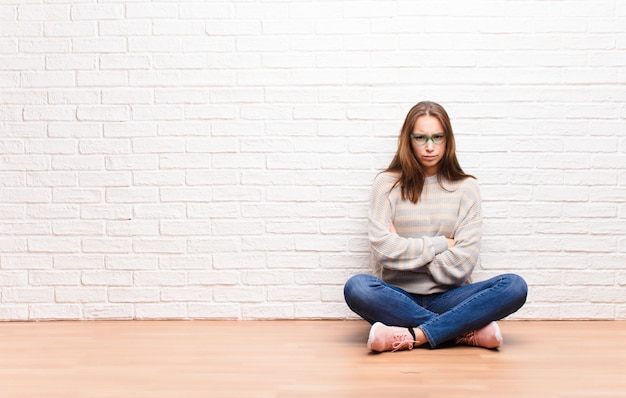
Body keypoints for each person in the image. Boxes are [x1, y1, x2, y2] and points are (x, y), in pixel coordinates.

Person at [343, 101, 528, 353]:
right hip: (397, 296)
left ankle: (414, 334)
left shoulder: (466, 188)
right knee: (358, 288)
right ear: (408, 140)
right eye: (420, 138)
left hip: (451, 298)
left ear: (447, 139)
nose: (429, 147)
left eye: (437, 137)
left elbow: (462, 265)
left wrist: (404, 251)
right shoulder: (386, 184)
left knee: (514, 286)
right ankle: (461, 331)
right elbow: (383, 252)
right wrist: (443, 244)